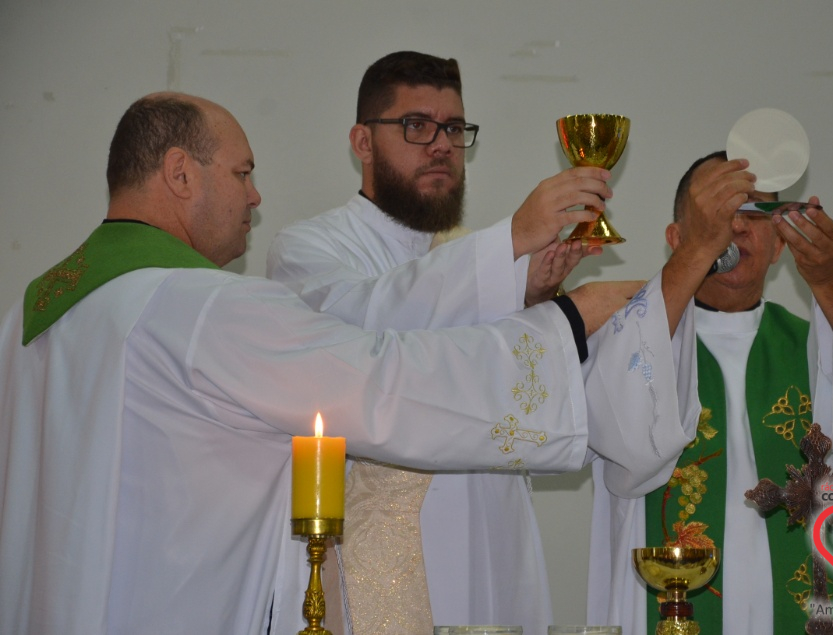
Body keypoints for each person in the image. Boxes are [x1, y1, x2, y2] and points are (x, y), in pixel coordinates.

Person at [0, 91, 709, 635]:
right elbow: (385, 382)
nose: (255, 196)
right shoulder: (200, 307)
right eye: (243, 172)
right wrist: (566, 321)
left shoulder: (31, 317)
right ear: (180, 174)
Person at [266, 51, 754, 633]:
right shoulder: (308, 251)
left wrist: (534, 296)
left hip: (495, 534)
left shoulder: (475, 257)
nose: (441, 145)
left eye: (453, 128)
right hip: (386, 550)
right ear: (362, 142)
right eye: (416, 126)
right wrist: (519, 248)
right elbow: (370, 336)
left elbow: (516, 384)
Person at [586, 151, 833, 635]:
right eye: (718, 215)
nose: (737, 228)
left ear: (780, 242)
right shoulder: (636, 343)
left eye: (755, 214)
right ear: (678, 240)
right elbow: (618, 437)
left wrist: (832, 281)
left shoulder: (817, 348)